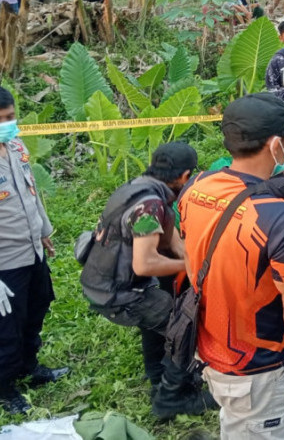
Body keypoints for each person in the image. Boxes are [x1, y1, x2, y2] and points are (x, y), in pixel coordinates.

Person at [178, 93, 284, 438]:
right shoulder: (280, 218)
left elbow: (194, 259)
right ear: (276, 144)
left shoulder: (196, 186)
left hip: (209, 341)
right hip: (254, 360)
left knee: (236, 422)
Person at [80, 142, 216, 420]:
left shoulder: (142, 187)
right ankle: (171, 398)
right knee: (183, 325)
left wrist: (194, 263)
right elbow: (146, 263)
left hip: (110, 280)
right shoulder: (149, 205)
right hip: (117, 291)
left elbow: (171, 239)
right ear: (186, 176)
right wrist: (193, 268)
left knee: (158, 312)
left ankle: (157, 376)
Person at [0, 88, 68, 415]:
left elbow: (30, 191)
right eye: (3, 120)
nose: (10, 124)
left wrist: (43, 231)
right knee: (6, 327)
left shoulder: (15, 145)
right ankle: (4, 385)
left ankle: (29, 365)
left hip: (31, 249)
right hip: (5, 261)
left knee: (38, 304)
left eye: (12, 117)